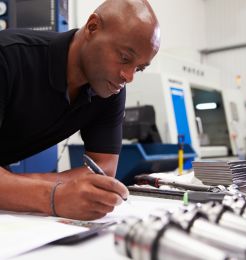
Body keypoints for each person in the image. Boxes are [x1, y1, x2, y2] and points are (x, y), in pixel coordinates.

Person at [0, 0, 160, 220]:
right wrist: (53, 196)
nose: (129, 77)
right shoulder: (7, 57)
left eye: (139, 68)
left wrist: (13, 186)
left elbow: (103, 171)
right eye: (124, 58)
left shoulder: (109, 89)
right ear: (93, 27)